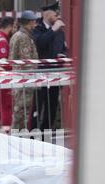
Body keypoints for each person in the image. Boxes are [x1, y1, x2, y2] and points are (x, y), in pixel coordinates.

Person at [30, 1, 68, 131]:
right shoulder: (37, 28)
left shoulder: (59, 31)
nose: (57, 16)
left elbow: (63, 47)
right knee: (38, 105)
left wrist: (63, 54)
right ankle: (34, 132)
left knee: (52, 106)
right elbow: (40, 43)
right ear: (47, 15)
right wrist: (53, 29)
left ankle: (47, 131)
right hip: (40, 74)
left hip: (55, 74)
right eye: (55, 13)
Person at [9, 10, 39, 130]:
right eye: (33, 22)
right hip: (24, 80)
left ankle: (17, 137)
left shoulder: (18, 35)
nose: (35, 25)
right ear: (28, 23)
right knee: (22, 112)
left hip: (20, 79)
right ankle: (17, 138)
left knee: (19, 111)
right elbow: (26, 61)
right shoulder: (24, 37)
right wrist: (33, 77)